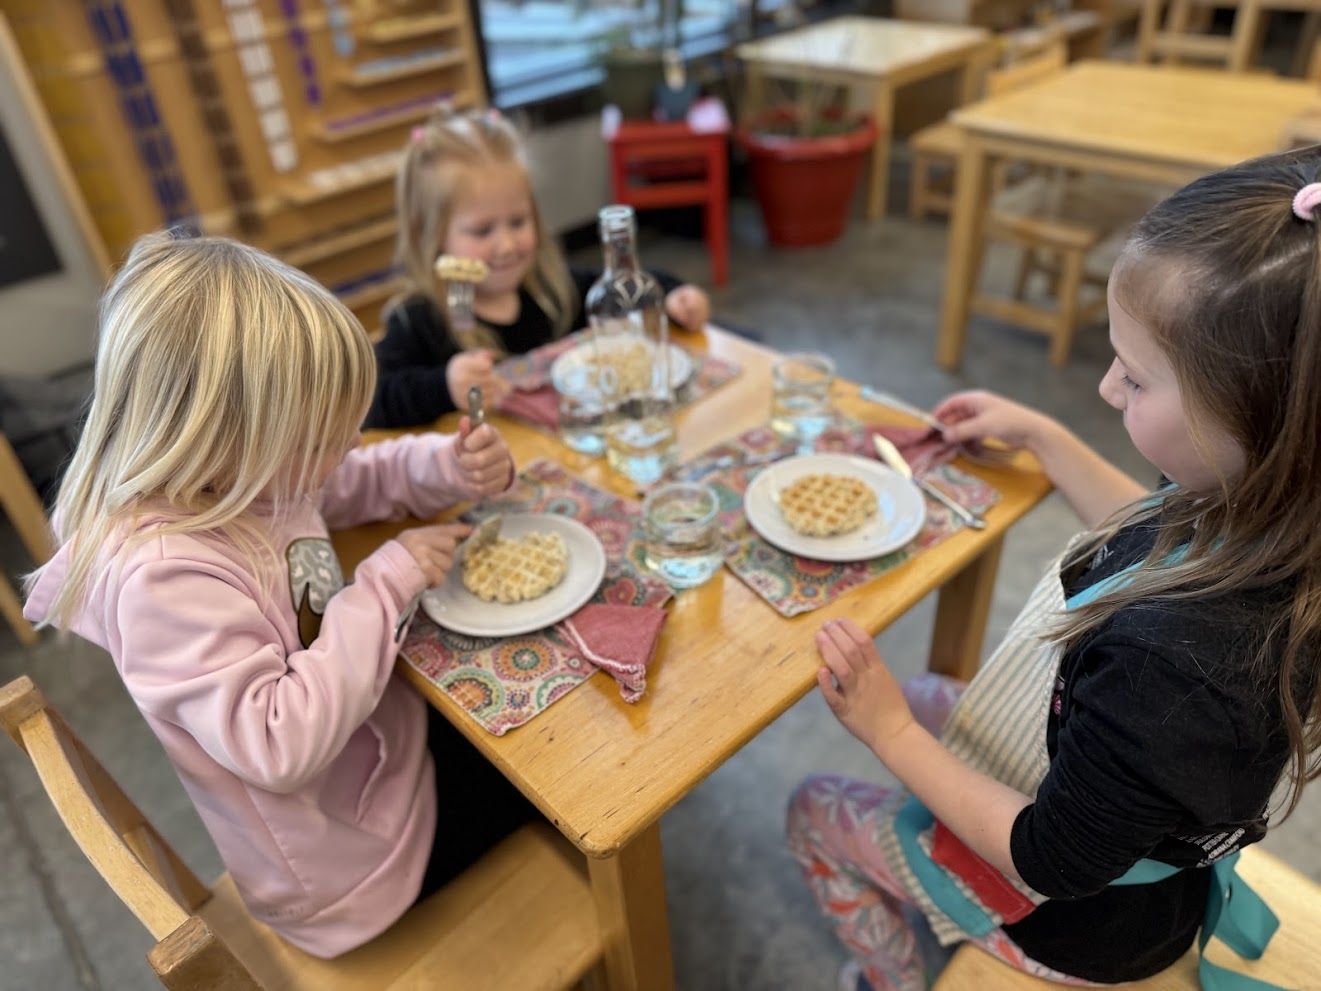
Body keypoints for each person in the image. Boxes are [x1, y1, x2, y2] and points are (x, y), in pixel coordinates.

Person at [787, 148, 1321, 990]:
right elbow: (1144, 531)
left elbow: (1052, 855)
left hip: (1082, 922)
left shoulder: (1179, 664)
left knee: (815, 806)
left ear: (1268, 420)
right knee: (930, 692)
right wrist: (1044, 438)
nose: (1106, 389)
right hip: (1129, 829)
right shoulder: (1266, 506)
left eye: (1136, 376)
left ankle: (890, 977)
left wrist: (884, 731)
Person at [24, 232, 537, 958]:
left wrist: (444, 465)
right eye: (321, 438)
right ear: (221, 436)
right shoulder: (163, 578)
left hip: (376, 757)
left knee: (510, 720)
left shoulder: (247, 475)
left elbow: (346, 481)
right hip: (352, 869)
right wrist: (384, 583)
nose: (339, 450)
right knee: (552, 775)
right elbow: (276, 741)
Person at [365, 104, 711, 429]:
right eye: (483, 230)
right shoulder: (418, 320)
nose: (507, 245)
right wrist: (443, 386)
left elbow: (619, 287)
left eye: (518, 222)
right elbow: (371, 402)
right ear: (431, 234)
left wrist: (673, 294)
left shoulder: (550, 287)